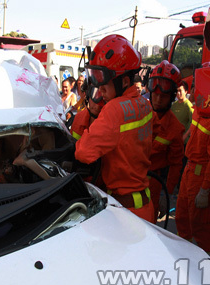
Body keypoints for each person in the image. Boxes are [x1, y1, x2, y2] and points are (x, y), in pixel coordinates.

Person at [75, 34, 154, 223]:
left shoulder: (113, 110)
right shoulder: (145, 104)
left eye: (104, 80)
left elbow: (83, 153)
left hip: (125, 213)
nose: (99, 88)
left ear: (124, 82)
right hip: (144, 206)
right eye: (95, 77)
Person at [175, 83, 210, 254]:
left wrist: (205, 189)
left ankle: (208, 261)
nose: (192, 95)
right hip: (189, 169)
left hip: (201, 175)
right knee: (182, 217)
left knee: (200, 225)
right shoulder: (198, 111)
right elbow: (191, 132)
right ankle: (184, 254)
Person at [147, 61, 185, 221]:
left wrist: (167, 194)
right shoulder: (140, 112)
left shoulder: (175, 128)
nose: (157, 99)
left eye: (163, 96)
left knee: (148, 224)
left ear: (171, 97)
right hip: (129, 176)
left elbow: (176, 165)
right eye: (155, 94)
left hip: (153, 183)